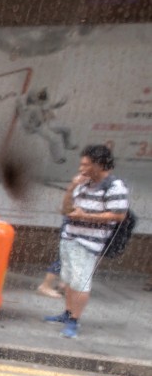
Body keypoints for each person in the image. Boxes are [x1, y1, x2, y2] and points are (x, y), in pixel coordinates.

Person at [43, 145, 129, 339]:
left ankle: (74, 320)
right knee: (69, 280)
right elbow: (65, 210)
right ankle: (67, 313)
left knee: (81, 282)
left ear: (99, 165)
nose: (81, 168)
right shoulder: (83, 183)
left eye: (86, 165)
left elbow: (119, 215)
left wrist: (86, 216)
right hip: (69, 237)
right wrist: (71, 187)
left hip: (88, 242)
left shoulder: (115, 186)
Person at [15, 88, 76, 165]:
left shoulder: (39, 103)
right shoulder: (30, 109)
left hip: (46, 123)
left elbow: (51, 106)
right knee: (54, 139)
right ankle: (57, 158)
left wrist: (61, 103)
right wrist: (33, 126)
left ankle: (67, 144)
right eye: (40, 97)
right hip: (39, 127)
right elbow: (26, 122)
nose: (42, 99)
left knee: (67, 129)